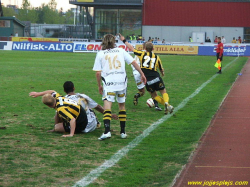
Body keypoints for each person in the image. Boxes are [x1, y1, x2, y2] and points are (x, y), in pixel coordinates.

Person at [93, 34, 146, 140]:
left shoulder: (100, 53)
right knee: (122, 106)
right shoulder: (121, 51)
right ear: (114, 42)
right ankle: (123, 132)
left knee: (108, 106)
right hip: (122, 82)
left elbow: (98, 73)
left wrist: (99, 85)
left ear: (103, 41)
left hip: (109, 83)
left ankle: (107, 131)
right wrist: (142, 74)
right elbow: (133, 62)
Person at [119, 33, 174, 115]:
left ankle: (168, 105)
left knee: (154, 95)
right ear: (153, 48)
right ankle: (166, 102)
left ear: (145, 48)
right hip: (156, 76)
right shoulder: (156, 57)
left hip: (147, 79)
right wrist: (162, 73)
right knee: (163, 92)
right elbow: (161, 68)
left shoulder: (142, 54)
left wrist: (124, 40)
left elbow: (131, 48)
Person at [132, 42, 162, 111]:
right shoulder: (146, 54)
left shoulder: (138, 53)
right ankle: (156, 106)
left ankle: (137, 95)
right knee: (152, 91)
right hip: (144, 72)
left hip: (136, 73)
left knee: (142, 91)